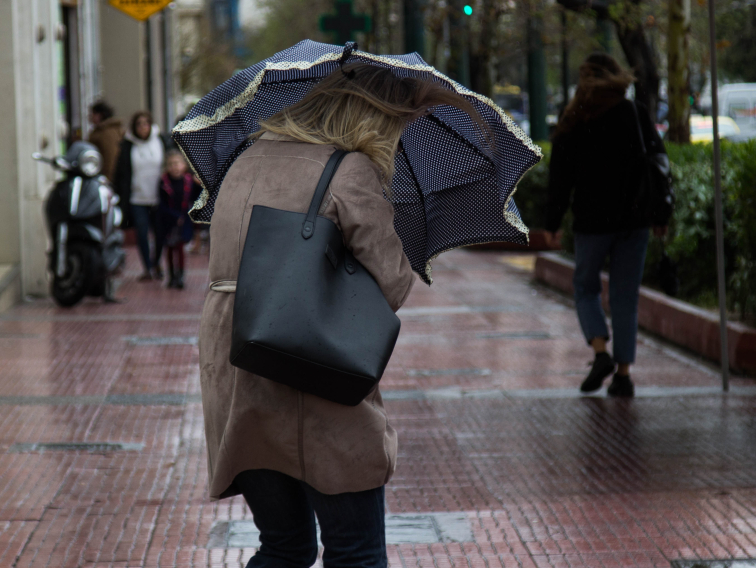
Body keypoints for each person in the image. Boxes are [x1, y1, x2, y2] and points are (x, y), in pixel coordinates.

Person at [199, 64, 484, 568]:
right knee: (356, 550)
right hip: (311, 370)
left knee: (283, 546)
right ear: (377, 117)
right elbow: (393, 283)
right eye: (404, 121)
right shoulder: (348, 170)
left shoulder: (246, 158)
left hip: (236, 365)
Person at [545, 53, 668, 399]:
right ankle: (624, 376)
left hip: (591, 224)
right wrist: (660, 216)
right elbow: (657, 163)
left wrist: (552, 222)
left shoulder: (573, 119)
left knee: (585, 287)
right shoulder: (634, 113)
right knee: (625, 297)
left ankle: (600, 352)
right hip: (635, 221)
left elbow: (560, 178)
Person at [114, 110, 172, 281]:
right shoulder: (128, 145)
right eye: (139, 124)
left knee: (160, 233)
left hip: (158, 197)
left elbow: (171, 162)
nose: (142, 127)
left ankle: (156, 262)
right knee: (142, 232)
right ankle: (147, 267)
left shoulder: (160, 140)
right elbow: (120, 172)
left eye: (145, 123)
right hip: (137, 197)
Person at [155, 149, 198, 289]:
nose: (175, 167)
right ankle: (172, 275)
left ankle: (180, 276)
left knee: (180, 248)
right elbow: (161, 204)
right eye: (171, 164)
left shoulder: (188, 181)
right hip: (167, 221)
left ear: (184, 165)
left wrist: (199, 183)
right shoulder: (164, 182)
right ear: (167, 167)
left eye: (177, 163)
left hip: (184, 221)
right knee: (169, 248)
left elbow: (196, 198)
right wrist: (173, 216)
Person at [86, 101, 124, 181]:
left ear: (99, 115)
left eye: (92, 114)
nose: (89, 117)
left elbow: (110, 156)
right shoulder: (103, 131)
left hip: (104, 177)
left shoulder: (106, 133)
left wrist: (107, 179)